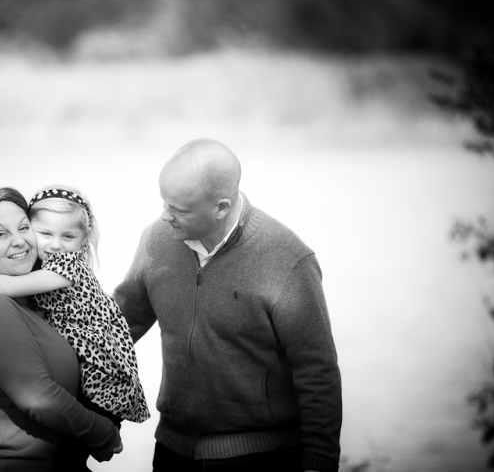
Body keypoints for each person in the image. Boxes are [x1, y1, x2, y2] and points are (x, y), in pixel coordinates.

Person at [113, 139, 342, 472]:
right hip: (172, 452)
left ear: (220, 207)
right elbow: (120, 322)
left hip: (261, 458)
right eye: (164, 202)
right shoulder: (157, 238)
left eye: (179, 209)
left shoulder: (287, 260)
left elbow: (317, 372)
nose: (165, 215)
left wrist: (318, 464)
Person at [0, 187, 122, 472]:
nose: (19, 241)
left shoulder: (40, 302)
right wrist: (102, 433)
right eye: (0, 234)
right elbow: (39, 398)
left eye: (24, 227)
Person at [0, 186, 150, 425]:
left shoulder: (66, 266)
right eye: (45, 233)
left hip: (102, 373)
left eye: (68, 236)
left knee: (90, 428)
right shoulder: (27, 278)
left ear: (83, 241)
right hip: (88, 371)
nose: (56, 245)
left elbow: (10, 287)